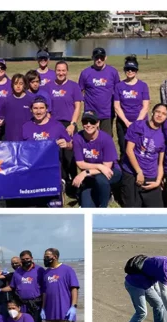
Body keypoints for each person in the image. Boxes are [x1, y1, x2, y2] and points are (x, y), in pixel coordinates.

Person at [120, 103, 167, 208]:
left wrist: (158, 182)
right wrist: (139, 171)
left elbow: (160, 164)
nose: (160, 115)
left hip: (150, 175)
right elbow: (129, 150)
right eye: (158, 112)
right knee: (133, 208)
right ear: (152, 112)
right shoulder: (138, 126)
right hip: (132, 172)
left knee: (157, 211)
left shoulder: (163, 135)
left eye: (164, 114)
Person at [72, 110, 121, 208]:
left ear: (98, 123)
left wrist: (85, 172)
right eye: (85, 122)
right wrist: (99, 166)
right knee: (86, 207)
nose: (88, 125)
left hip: (111, 171)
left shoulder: (106, 139)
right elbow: (80, 163)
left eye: (92, 122)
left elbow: (107, 167)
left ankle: (103, 206)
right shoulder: (77, 138)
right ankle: (102, 193)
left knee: (100, 180)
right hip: (91, 176)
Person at [40, 248, 79, 322]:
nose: (45, 258)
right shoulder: (46, 273)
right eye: (44, 256)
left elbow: (74, 288)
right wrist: (43, 308)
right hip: (50, 312)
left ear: (55, 256)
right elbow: (45, 293)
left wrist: (73, 306)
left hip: (65, 312)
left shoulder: (67, 270)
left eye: (47, 256)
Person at [48, 60, 83, 191]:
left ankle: (73, 181)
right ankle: (61, 181)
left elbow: (78, 106)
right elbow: (47, 110)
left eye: (63, 70)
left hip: (69, 124)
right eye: (58, 70)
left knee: (70, 154)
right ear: (55, 71)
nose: (61, 73)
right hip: (55, 124)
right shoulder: (48, 86)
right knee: (58, 154)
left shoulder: (74, 86)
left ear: (67, 71)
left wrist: (73, 124)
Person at [0, 250, 44, 322]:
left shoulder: (40, 270)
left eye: (27, 259)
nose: (25, 261)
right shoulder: (17, 272)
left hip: (35, 304)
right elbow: (12, 287)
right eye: (23, 259)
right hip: (22, 304)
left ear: (32, 258)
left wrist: (44, 306)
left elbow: (45, 288)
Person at [113, 55, 150, 158]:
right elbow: (117, 106)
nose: (130, 71)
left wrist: (137, 123)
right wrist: (126, 122)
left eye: (132, 69)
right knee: (124, 150)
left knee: (140, 149)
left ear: (136, 70)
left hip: (140, 123)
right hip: (123, 123)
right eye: (127, 69)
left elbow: (145, 107)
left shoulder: (143, 86)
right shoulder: (119, 86)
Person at [78, 47, 119, 137]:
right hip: (91, 112)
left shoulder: (113, 72)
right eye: (97, 57)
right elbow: (79, 91)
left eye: (101, 57)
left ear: (106, 57)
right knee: (90, 137)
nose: (99, 60)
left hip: (107, 112)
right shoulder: (85, 73)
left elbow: (117, 91)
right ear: (93, 58)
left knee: (106, 138)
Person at [3, 74, 34, 142]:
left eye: (21, 83)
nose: (18, 86)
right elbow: (2, 117)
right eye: (16, 83)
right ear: (12, 85)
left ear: (24, 85)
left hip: (26, 137)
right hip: (10, 137)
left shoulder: (31, 100)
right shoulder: (7, 100)